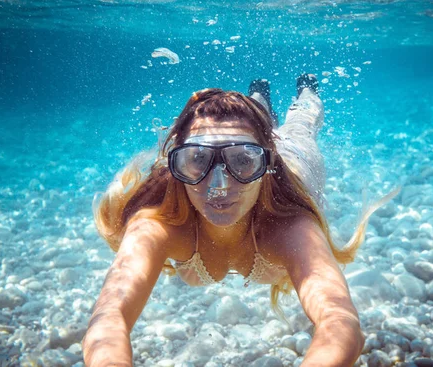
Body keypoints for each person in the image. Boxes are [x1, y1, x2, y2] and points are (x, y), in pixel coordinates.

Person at [83, 74, 397, 367]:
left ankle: (306, 93)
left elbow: (340, 320)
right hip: (255, 148)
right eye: (198, 160)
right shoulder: (159, 223)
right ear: (176, 166)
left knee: (300, 127)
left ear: (267, 165)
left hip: (296, 158)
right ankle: (257, 102)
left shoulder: (289, 224)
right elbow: (110, 316)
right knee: (253, 129)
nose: (219, 186)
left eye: (244, 161)